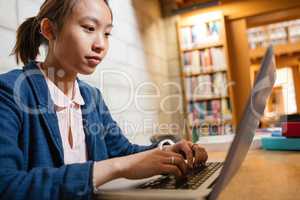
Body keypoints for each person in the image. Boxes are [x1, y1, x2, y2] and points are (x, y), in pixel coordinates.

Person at [0, 0, 208, 199]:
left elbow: (125, 152)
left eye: (107, 33)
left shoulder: (91, 97)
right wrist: (118, 167)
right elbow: (6, 186)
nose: (101, 44)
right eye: (89, 28)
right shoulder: (9, 91)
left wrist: (169, 150)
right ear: (49, 30)